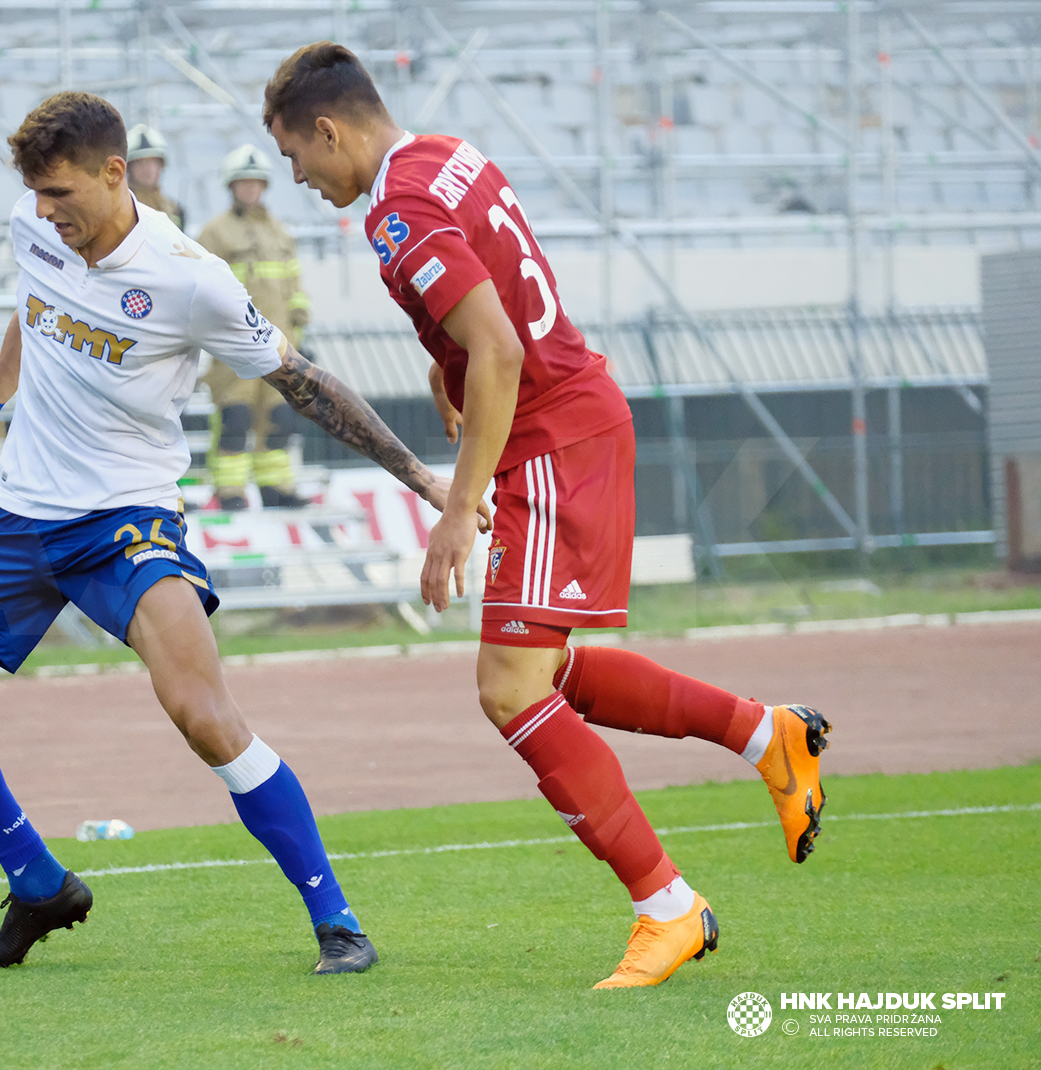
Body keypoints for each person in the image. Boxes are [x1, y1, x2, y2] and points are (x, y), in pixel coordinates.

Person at [0, 92, 475, 974]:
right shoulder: (37, 227)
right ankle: (38, 882)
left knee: (202, 714)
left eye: (60, 194)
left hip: (125, 521)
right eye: (35, 195)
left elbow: (301, 381)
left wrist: (420, 477)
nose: (44, 212)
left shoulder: (191, 278)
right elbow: (33, 309)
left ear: (116, 175)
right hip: (20, 518)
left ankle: (338, 922)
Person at [264, 44, 831, 989]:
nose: (298, 178)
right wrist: (447, 371)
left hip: (551, 440)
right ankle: (765, 735)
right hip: (571, 422)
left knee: (509, 690)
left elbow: (499, 350)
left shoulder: (397, 208)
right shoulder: (448, 154)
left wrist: (456, 506)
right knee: (546, 670)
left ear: (329, 129)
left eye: (296, 156)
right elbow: (496, 308)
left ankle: (670, 908)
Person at [198, 144, 314, 510]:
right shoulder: (214, 233)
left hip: (281, 345)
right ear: (230, 187)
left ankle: (275, 486)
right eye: (242, 183)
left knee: (279, 418)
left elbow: (294, 290)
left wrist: (301, 339)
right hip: (234, 346)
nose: (250, 190)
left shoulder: (280, 232)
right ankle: (229, 490)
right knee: (235, 416)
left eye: (256, 183)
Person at [125, 123, 186, 231]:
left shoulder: (176, 211)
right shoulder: (119, 209)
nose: (146, 168)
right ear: (128, 168)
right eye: (139, 162)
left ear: (161, 165)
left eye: (152, 161)